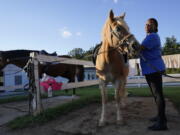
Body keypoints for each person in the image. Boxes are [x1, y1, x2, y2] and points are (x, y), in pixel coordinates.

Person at [140, 18, 168, 131]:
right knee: (157, 95)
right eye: (146, 24)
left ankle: (162, 123)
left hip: (153, 69)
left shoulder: (153, 36)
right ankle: (160, 117)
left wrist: (128, 42)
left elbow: (139, 48)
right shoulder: (149, 37)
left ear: (155, 27)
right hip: (151, 69)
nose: (147, 25)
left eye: (150, 24)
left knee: (158, 95)